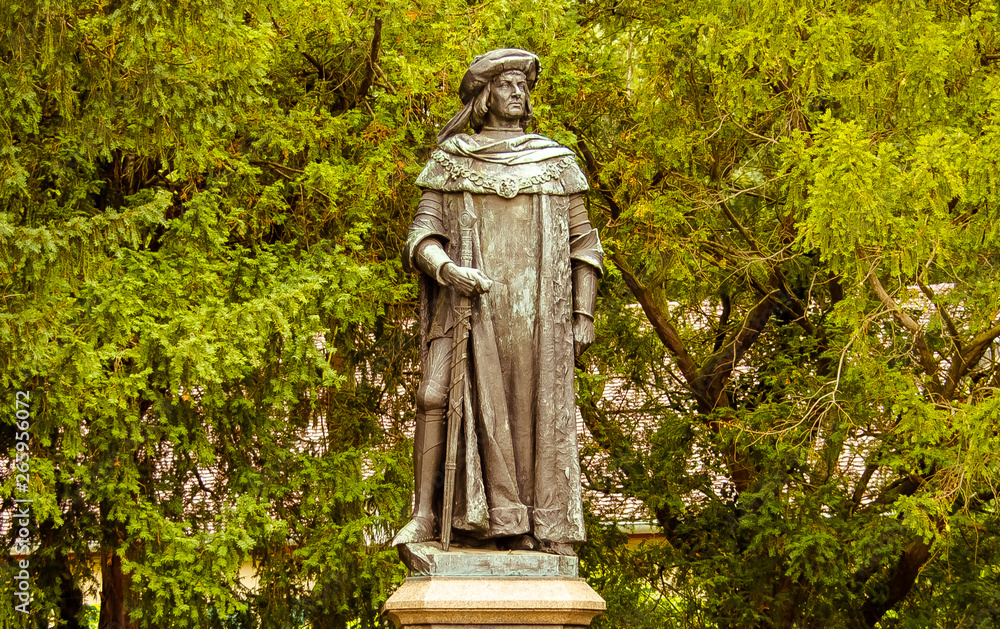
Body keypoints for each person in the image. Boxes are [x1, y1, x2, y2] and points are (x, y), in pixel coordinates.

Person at [393, 48, 603, 556]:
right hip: (467, 308)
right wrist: (447, 270)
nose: (517, 93)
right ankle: (425, 516)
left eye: (522, 85)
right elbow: (422, 236)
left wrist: (582, 314)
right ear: (484, 96)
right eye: (506, 84)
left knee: (531, 414)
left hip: (539, 319)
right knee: (433, 396)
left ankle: (536, 524)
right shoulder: (453, 161)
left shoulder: (554, 162)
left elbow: (585, 246)